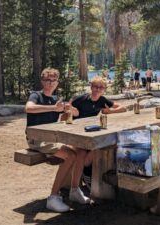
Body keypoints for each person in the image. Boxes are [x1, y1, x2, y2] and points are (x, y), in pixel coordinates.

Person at [25, 67, 91, 213]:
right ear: (42, 81)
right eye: (47, 80)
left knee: (80, 150)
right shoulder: (36, 95)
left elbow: (70, 115)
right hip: (37, 139)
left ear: (57, 82)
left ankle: (74, 190)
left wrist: (69, 111)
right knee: (70, 155)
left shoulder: (55, 100)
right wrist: (53, 109)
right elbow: (29, 108)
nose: (50, 83)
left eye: (53, 80)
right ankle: (53, 197)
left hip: (52, 138)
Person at [71, 76, 127, 192]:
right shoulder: (82, 99)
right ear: (91, 87)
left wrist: (110, 111)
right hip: (77, 133)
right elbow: (68, 106)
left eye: (101, 87)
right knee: (95, 148)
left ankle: (89, 173)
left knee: (104, 145)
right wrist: (72, 112)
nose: (97, 89)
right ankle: (86, 173)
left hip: (90, 131)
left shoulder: (102, 100)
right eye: (95, 87)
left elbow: (123, 108)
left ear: (104, 90)